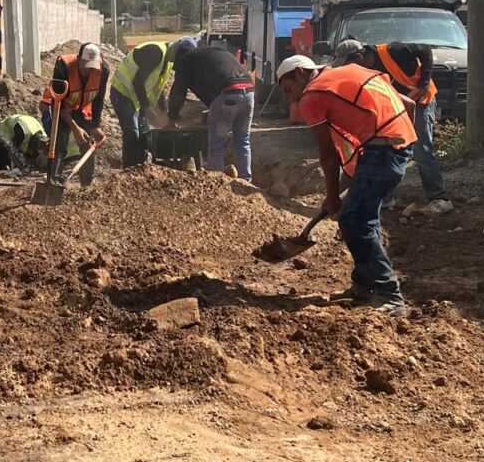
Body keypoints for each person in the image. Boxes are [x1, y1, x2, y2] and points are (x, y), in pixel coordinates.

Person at [277, 54, 418, 317]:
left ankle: (390, 295)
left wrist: (332, 196)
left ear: (299, 73)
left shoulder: (312, 95)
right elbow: (408, 104)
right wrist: (399, 144)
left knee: (354, 220)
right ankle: (363, 287)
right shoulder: (349, 73)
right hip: (392, 147)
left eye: (289, 89)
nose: (292, 98)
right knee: (365, 219)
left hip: (381, 152)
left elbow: (328, 154)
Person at [332, 38, 452, 214]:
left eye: (348, 63)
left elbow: (425, 49)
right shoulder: (364, 70)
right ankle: (386, 198)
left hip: (420, 102)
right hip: (396, 106)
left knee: (421, 150)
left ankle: (439, 198)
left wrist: (424, 84)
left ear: (359, 56)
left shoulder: (393, 51)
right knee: (387, 148)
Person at [167, 44, 254, 181]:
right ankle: (246, 181)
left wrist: (172, 117)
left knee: (216, 145)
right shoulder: (212, 51)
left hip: (226, 95)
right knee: (242, 141)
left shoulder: (186, 59)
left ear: (178, 56)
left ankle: (217, 183)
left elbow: (178, 91)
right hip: (249, 93)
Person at [110, 37, 195, 167]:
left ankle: (140, 167)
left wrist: (165, 114)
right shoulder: (155, 53)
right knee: (132, 133)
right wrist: (148, 108)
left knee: (145, 135)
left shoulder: (168, 62)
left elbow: (158, 90)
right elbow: (137, 82)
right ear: (177, 52)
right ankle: (128, 170)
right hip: (123, 92)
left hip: (136, 97)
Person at [40, 42, 108, 186]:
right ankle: (54, 182)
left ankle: (86, 185)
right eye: (86, 67)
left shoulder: (103, 70)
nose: (89, 72)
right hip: (61, 106)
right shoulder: (63, 66)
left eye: (93, 67)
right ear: (79, 59)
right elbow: (59, 101)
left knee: (88, 143)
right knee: (59, 142)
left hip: (80, 108)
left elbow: (98, 99)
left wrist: (95, 125)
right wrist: (75, 128)